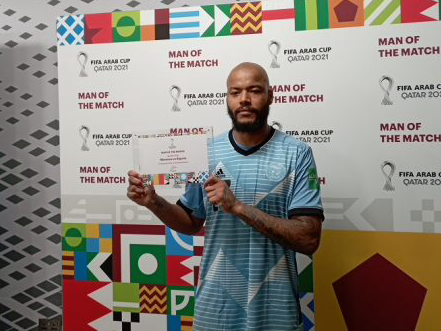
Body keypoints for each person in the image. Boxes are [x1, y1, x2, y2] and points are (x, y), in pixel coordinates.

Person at [127, 62, 324, 330]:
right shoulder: (206, 152)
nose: (244, 99)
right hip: (215, 312)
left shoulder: (297, 153)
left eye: (254, 90)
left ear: (270, 96)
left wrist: (238, 207)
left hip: (275, 313)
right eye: (235, 92)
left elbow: (309, 238)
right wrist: (154, 203)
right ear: (227, 99)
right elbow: (190, 221)